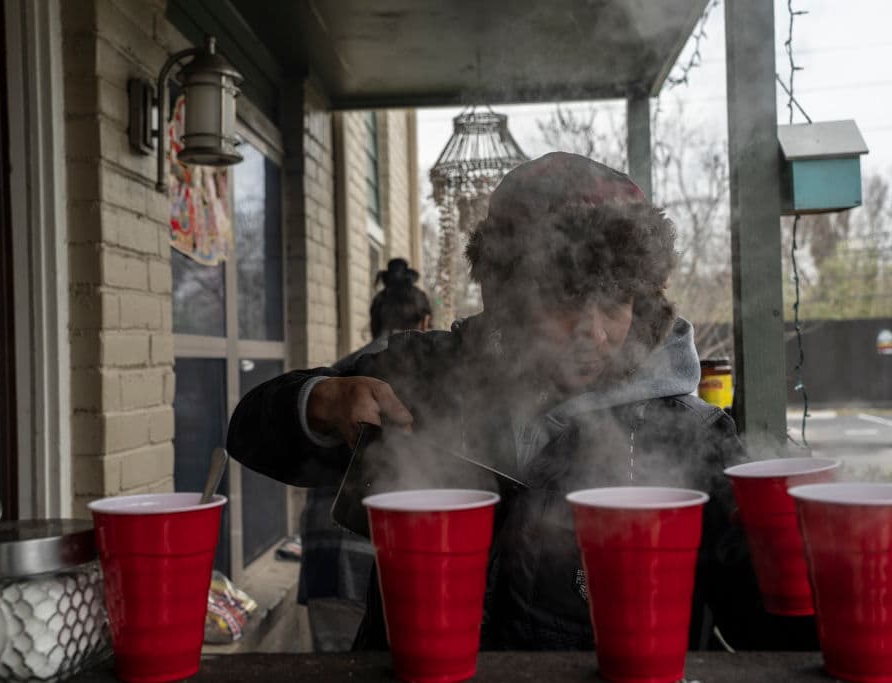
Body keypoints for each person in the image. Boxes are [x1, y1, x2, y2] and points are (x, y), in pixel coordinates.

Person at [228, 152, 815, 652]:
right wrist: (320, 401)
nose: (595, 332)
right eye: (564, 301)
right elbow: (250, 433)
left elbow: (759, 622)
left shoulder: (691, 434)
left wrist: (816, 566)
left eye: (614, 303)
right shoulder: (430, 372)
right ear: (508, 295)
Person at [297, 258, 431, 652]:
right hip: (379, 563)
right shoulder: (425, 378)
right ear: (425, 324)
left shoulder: (339, 374)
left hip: (324, 558)